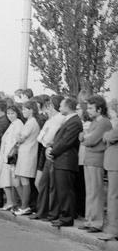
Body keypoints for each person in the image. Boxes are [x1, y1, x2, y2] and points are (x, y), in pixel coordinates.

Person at [46, 97, 83, 228]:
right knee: (61, 190)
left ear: (68, 107)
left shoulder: (75, 122)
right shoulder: (69, 120)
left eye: (61, 106)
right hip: (61, 160)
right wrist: (51, 147)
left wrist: (52, 151)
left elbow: (66, 141)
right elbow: (60, 139)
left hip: (66, 161)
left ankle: (67, 218)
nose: (59, 108)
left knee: (65, 191)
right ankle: (63, 216)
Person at [78, 95, 112, 232]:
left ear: (99, 109)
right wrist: (85, 138)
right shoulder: (93, 122)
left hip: (97, 160)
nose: (89, 111)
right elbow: (82, 136)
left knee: (96, 191)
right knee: (90, 191)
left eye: (91, 108)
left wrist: (85, 138)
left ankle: (96, 222)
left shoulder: (104, 122)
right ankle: (89, 220)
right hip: (88, 159)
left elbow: (91, 140)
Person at [29, 95, 65, 221]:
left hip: (50, 151)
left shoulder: (59, 119)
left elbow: (47, 138)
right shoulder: (50, 119)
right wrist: (44, 138)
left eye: (50, 106)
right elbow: (40, 137)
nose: (48, 108)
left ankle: (48, 210)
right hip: (44, 150)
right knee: (40, 182)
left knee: (47, 184)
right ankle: (43, 209)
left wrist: (45, 139)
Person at [0, 104, 23, 211]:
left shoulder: (18, 123)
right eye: (8, 113)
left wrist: (10, 154)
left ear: (17, 113)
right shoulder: (12, 124)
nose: (10, 116)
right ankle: (12, 202)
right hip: (6, 155)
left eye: (12, 113)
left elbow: (16, 141)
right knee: (6, 180)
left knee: (12, 180)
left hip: (10, 157)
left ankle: (19, 203)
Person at [12, 100, 40, 216]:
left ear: (31, 110)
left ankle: (25, 206)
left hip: (28, 154)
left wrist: (17, 135)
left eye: (25, 109)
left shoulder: (31, 122)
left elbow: (20, 138)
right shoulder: (30, 121)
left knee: (24, 180)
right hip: (25, 153)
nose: (23, 111)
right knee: (20, 179)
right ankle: (25, 204)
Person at [98, 99, 118, 241]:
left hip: (114, 163)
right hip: (112, 163)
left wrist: (107, 135)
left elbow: (109, 136)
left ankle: (113, 229)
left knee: (112, 196)